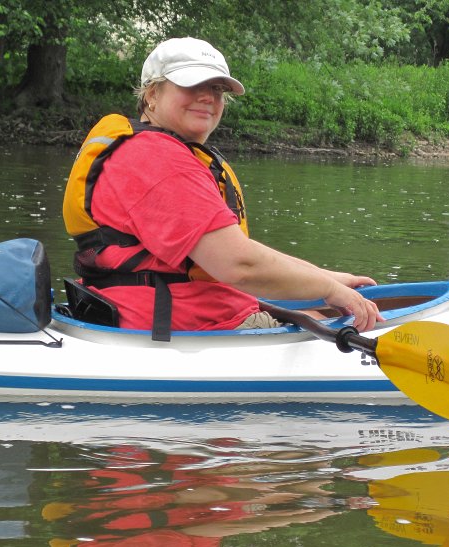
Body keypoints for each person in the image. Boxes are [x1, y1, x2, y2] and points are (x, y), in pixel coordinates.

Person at [63, 37, 382, 340]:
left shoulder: (149, 150)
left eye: (217, 89)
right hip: (189, 330)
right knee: (330, 315)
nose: (208, 97)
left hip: (166, 319)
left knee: (321, 310)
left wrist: (326, 277)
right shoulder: (158, 158)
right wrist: (328, 290)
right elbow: (238, 264)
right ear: (152, 94)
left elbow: (230, 249)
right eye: (192, 84)